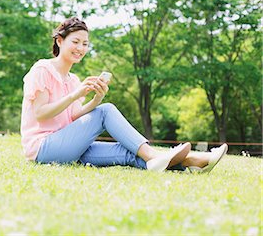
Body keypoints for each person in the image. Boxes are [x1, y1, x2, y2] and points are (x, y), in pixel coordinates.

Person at [20, 16, 228, 172]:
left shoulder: (73, 80)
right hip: (44, 148)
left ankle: (194, 161)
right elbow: (40, 114)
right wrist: (76, 96)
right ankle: (155, 155)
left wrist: (96, 99)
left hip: (68, 144)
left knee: (127, 151)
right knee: (106, 111)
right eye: (75, 42)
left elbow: (73, 117)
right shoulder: (42, 70)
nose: (80, 48)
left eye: (85, 44)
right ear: (59, 41)